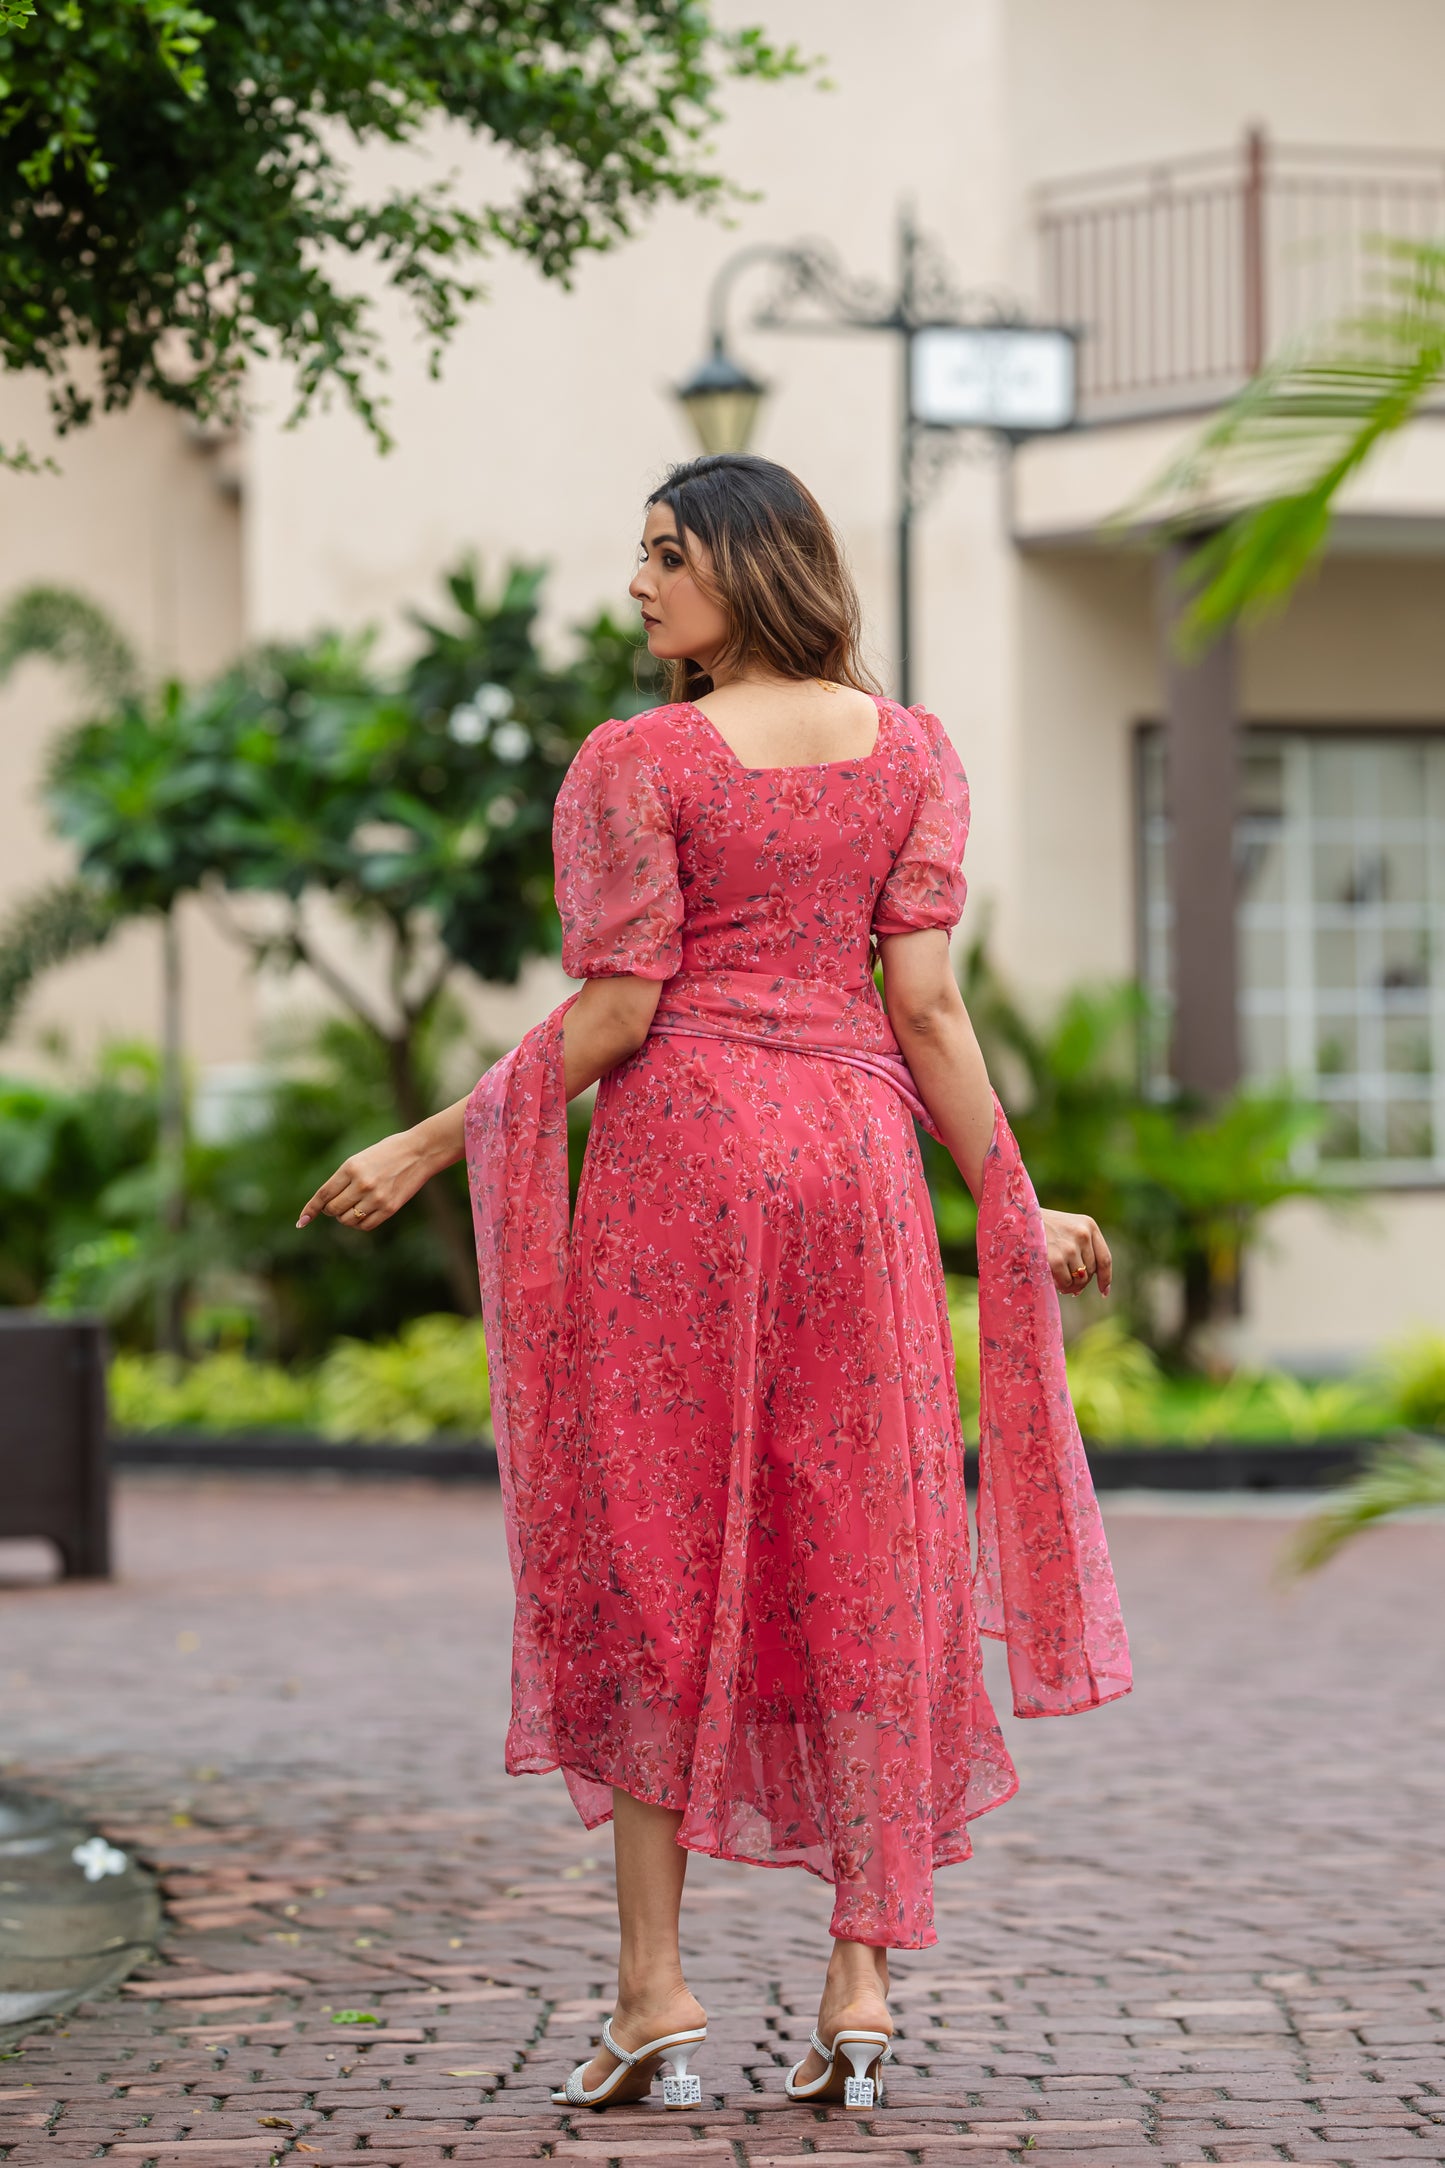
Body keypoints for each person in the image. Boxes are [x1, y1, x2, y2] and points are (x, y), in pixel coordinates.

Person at [298, 453, 1131, 2114]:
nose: (638, 589)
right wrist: (1007, 1200)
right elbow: (927, 1011)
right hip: (855, 1179)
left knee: (650, 1560)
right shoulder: (913, 753)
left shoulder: (639, 762)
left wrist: (430, 1140)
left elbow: (612, 1019)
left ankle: (651, 1994)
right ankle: (861, 1985)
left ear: (748, 570)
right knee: (869, 1545)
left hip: (685, 1172)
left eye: (665, 557)